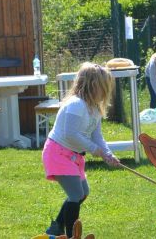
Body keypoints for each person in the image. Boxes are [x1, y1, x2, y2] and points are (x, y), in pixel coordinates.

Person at [42, 62, 121, 237]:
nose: (106, 92)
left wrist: (107, 153)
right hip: (58, 153)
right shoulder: (76, 104)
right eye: (103, 87)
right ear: (93, 85)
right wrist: (94, 150)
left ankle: (56, 227)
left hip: (73, 156)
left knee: (83, 193)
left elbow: (97, 136)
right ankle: (71, 234)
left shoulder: (94, 109)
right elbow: (70, 134)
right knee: (76, 193)